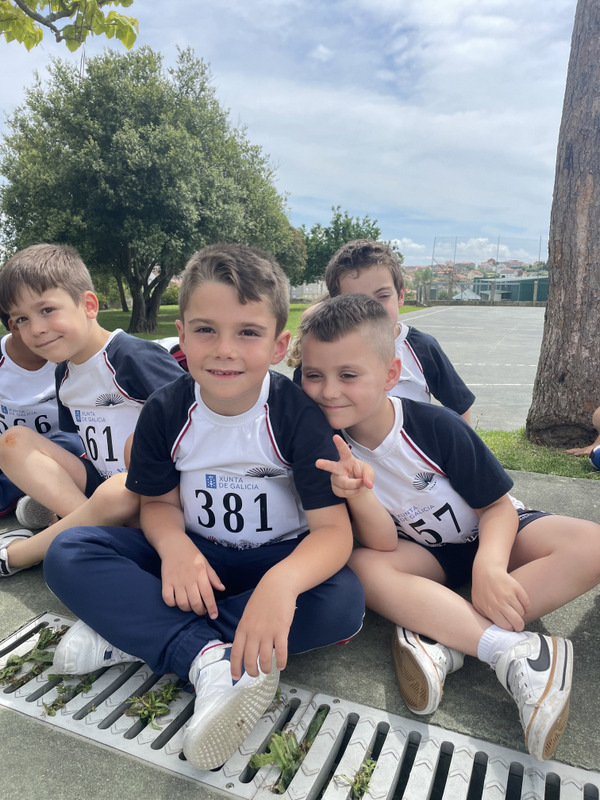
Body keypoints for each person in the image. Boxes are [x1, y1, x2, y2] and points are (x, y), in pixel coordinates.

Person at [43, 243, 365, 771]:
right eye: (206, 330)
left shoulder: (298, 417)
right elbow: (157, 504)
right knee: (70, 550)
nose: (224, 350)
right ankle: (208, 658)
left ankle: (136, 633)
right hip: (194, 559)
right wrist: (174, 548)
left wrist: (281, 584)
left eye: (248, 332)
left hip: (275, 558)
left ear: (280, 345)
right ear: (182, 334)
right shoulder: (165, 410)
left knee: (343, 600)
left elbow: (333, 532)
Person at [299, 293, 600, 762]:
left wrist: (490, 566)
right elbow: (382, 543)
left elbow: (496, 508)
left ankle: (441, 638)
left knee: (592, 546)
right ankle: (515, 650)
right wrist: (357, 494)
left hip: (498, 532)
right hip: (428, 553)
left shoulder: (434, 426)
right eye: (313, 375)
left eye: (348, 375)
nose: (328, 391)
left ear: (391, 374)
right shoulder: (325, 449)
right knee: (358, 566)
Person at [0, 243, 184, 576]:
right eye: (22, 319)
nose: (36, 329)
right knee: (12, 442)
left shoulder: (133, 356)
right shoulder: (63, 372)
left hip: (155, 495)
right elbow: (86, 446)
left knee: (119, 490)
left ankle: (20, 554)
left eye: (47, 310)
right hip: (102, 488)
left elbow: (195, 419)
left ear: (88, 305)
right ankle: (88, 526)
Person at [291, 239, 474, 423]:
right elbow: (299, 415)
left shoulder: (423, 347)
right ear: (334, 303)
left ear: (400, 296)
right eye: (355, 300)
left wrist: (460, 440)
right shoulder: (321, 353)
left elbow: (460, 407)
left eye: (383, 296)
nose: (372, 308)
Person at [0, 310, 83, 519]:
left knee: (77, 443)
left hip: (61, 452)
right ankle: (35, 494)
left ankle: (34, 494)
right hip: (6, 456)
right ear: (15, 326)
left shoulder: (73, 359)